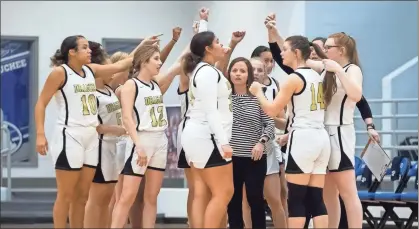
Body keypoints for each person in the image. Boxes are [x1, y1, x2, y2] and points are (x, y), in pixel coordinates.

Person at [35, 35, 134, 228]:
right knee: (66, 195)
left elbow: (122, 65)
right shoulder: (60, 73)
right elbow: (40, 103)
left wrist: (145, 45)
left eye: (89, 48)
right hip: (70, 135)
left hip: (91, 138)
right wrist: (40, 133)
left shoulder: (91, 70)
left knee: (82, 196)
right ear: (72, 52)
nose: (89, 51)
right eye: (84, 47)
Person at [249, 35, 332, 228]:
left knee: (296, 200)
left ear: (296, 52)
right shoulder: (316, 75)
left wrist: (258, 92)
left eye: (284, 49)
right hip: (321, 138)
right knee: (316, 199)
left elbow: (270, 110)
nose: (281, 53)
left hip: (303, 139)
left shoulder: (293, 78)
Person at [110, 41, 181, 228]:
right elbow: (126, 118)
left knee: (152, 197)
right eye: (156, 59)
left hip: (160, 140)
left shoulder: (156, 85)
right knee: (126, 197)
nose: (160, 63)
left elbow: (179, 64)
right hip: (141, 139)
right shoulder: (130, 86)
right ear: (143, 61)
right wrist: (138, 144)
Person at [306, 32, 365, 229]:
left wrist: (339, 70)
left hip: (340, 133)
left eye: (328, 47)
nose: (324, 50)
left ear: (341, 50)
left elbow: (356, 95)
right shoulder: (326, 67)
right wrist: (275, 35)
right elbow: (297, 60)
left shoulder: (352, 69)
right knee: (328, 192)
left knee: (348, 192)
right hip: (324, 133)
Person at [180, 31, 234, 228]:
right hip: (207, 137)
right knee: (224, 192)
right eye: (218, 42)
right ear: (208, 49)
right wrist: (224, 142)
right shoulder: (207, 72)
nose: (221, 45)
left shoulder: (204, 69)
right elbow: (211, 111)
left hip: (200, 135)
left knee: (205, 193)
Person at [81, 41, 129, 228]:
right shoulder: (90, 92)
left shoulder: (108, 89)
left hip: (113, 148)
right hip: (99, 148)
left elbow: (124, 64)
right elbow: (92, 126)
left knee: (108, 198)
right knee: (96, 199)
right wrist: (116, 129)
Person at [226, 57, 275, 229]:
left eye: (242, 71)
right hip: (230, 158)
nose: (238, 74)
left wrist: (261, 143)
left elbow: (270, 124)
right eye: (234, 70)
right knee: (233, 201)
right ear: (229, 73)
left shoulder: (257, 97)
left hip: (254, 158)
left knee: (255, 200)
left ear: (249, 74)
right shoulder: (224, 98)